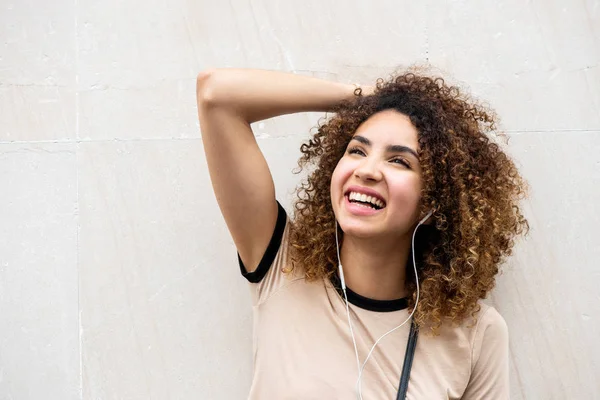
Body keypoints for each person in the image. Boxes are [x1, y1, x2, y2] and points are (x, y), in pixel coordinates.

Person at [196, 67, 529, 399]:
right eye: (356, 150)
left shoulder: (475, 333)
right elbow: (217, 95)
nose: (367, 170)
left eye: (399, 161)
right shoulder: (282, 267)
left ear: (435, 204)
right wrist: (377, 99)